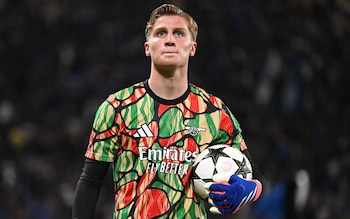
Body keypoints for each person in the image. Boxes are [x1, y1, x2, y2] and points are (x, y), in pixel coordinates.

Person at [72, 3, 264, 219]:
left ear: (193, 47)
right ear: (147, 47)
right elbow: (90, 181)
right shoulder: (117, 107)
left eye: (179, 33)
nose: (170, 40)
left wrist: (247, 191)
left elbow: (256, 179)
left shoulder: (215, 113)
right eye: (161, 33)